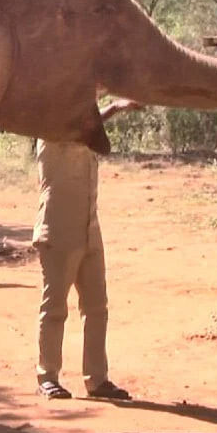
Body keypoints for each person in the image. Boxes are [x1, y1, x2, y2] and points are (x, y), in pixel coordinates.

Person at [33, 97, 143, 400]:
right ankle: (47, 376)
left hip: (89, 229)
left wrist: (116, 103)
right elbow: (78, 126)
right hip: (58, 229)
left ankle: (96, 379)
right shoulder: (52, 126)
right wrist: (115, 107)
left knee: (96, 307)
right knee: (55, 307)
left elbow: (89, 124)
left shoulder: (88, 131)